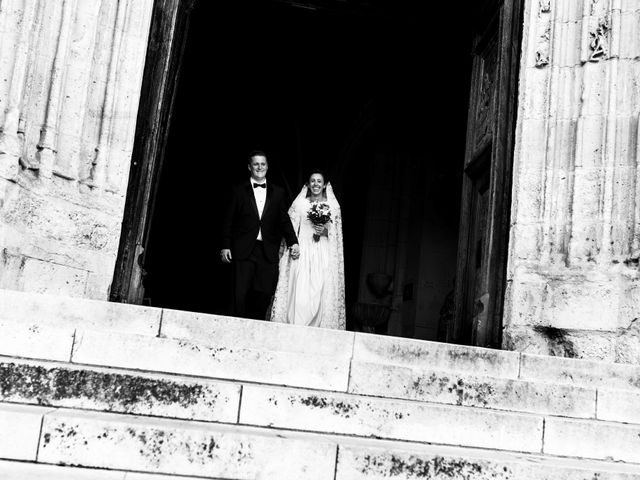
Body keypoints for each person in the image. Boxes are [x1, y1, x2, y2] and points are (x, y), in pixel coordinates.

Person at [220, 151, 300, 319]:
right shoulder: (239, 190)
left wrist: (294, 242)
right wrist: (225, 245)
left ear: (267, 167)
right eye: (256, 164)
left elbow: (284, 220)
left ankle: (254, 328)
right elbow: (229, 219)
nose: (259, 167)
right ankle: (236, 328)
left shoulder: (278, 192)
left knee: (264, 293)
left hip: (267, 250)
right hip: (243, 249)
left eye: (263, 164)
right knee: (239, 294)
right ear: (249, 167)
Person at [270, 170, 346, 329]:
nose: (316, 184)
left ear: (324, 185)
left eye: (319, 181)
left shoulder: (333, 206)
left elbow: (336, 235)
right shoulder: (300, 204)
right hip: (303, 249)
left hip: (322, 251)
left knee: (319, 289)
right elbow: (289, 228)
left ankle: (315, 328)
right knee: (299, 288)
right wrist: (293, 246)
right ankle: (295, 326)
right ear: (308, 184)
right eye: (313, 181)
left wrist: (324, 231)